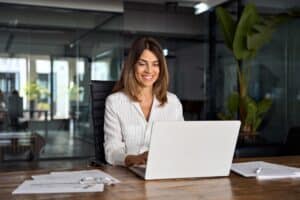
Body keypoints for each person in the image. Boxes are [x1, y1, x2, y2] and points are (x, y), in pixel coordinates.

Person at [104, 37, 184, 166]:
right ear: (132, 65)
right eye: (142, 63)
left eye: (155, 64)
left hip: (165, 171)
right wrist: (132, 159)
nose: (149, 70)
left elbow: (181, 144)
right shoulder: (115, 102)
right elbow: (111, 151)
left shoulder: (173, 103)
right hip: (129, 174)